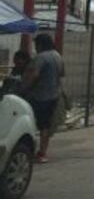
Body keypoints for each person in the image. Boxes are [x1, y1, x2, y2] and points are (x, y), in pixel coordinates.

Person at [20, 32, 65, 163]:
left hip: (39, 96)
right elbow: (62, 75)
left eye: (36, 44)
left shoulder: (41, 57)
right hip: (54, 95)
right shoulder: (58, 56)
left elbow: (34, 75)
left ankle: (31, 150)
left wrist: (24, 89)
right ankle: (42, 152)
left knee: (31, 122)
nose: (35, 47)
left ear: (41, 44)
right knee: (45, 125)